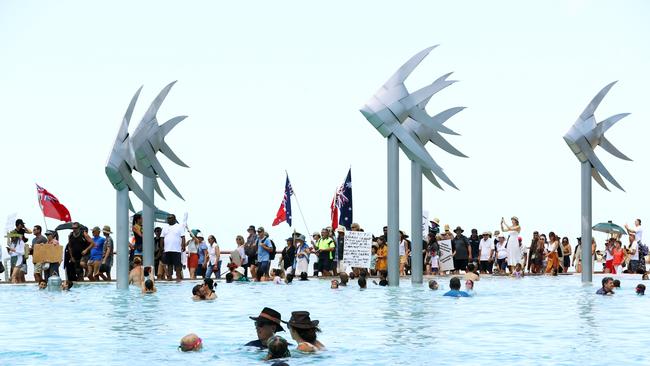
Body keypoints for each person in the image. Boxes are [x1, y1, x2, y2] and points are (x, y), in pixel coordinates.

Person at [161, 214, 185, 281]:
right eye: (168, 218)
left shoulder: (179, 226)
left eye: (170, 218)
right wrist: (162, 247)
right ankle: (170, 277)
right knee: (169, 264)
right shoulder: (165, 227)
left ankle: (178, 277)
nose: (168, 219)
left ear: (174, 219)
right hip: (167, 249)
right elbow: (162, 238)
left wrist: (183, 245)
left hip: (177, 249)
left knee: (177, 264)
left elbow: (183, 237)